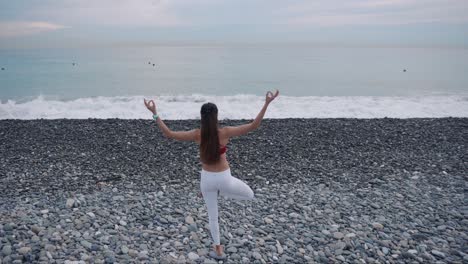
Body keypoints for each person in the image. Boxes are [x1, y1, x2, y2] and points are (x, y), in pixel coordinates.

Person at [143, 90, 279, 259]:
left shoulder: (197, 134)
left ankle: (218, 249)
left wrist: (155, 114)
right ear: (216, 116)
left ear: (201, 117)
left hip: (206, 180)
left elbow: (169, 134)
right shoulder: (225, 132)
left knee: (212, 217)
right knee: (250, 194)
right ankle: (222, 193)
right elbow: (253, 126)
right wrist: (267, 103)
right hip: (224, 179)